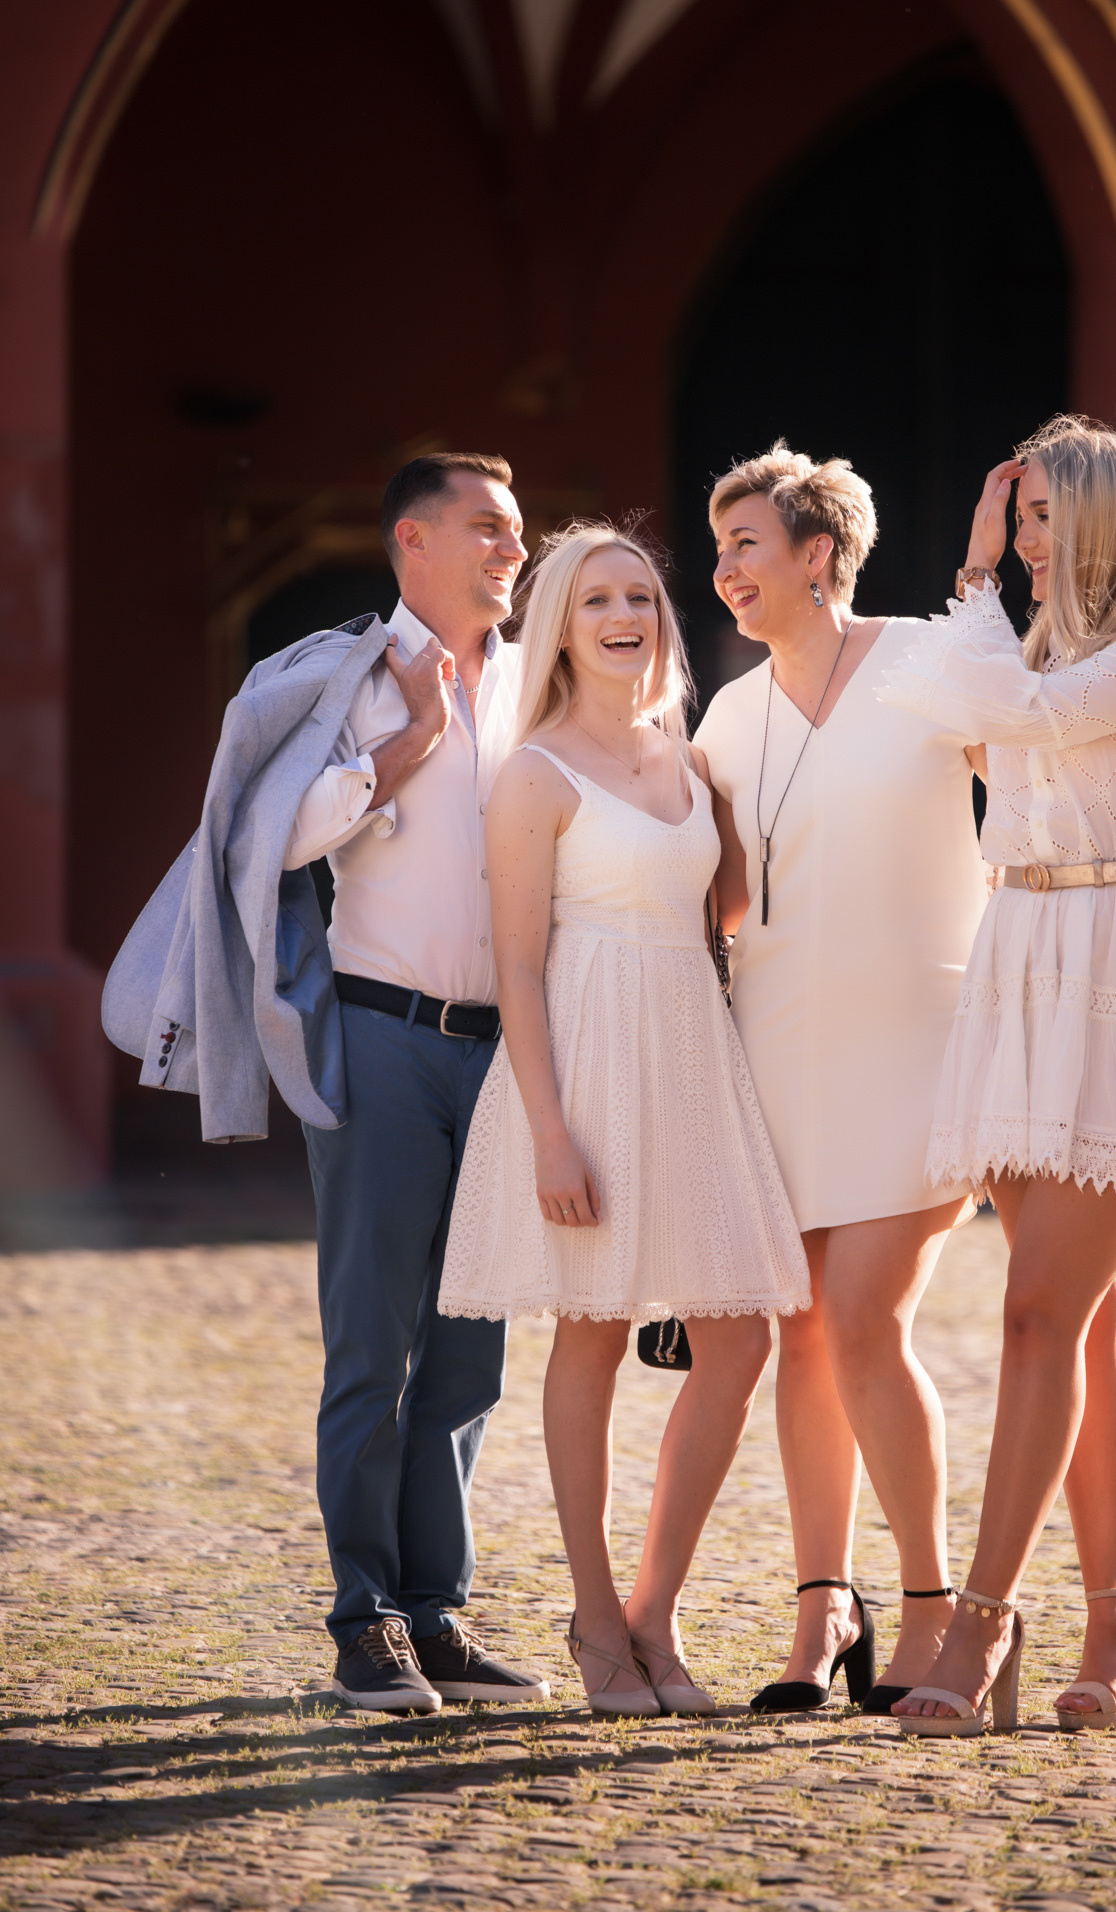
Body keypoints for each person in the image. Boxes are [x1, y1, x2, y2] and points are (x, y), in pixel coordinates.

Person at [880, 415, 1116, 1737]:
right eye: (1019, 517)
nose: (1026, 543)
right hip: (1024, 965)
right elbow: (970, 721)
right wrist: (985, 601)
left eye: (1044, 518)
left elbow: (1016, 716)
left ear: (1105, 520)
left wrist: (974, 584)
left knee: (1037, 1315)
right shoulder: (1028, 650)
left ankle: (981, 1627)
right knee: (1079, 1324)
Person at [438, 524, 810, 1716]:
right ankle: (595, 1619)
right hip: (584, 1065)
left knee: (741, 1335)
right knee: (590, 1335)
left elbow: (742, 906)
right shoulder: (533, 774)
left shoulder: (691, 760)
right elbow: (518, 963)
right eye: (598, 596)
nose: (625, 613)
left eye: (641, 594)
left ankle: (657, 1609)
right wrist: (550, 1131)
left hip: (692, 1056)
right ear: (559, 622)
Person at [692, 444, 987, 1712]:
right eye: (719, 548)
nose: (724, 569)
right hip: (775, 1056)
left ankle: (932, 1606)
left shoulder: (928, 661)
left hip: (919, 1043)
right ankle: (823, 1607)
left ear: (820, 554)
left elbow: (1036, 782)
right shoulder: (727, 715)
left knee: (867, 1321)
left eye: (747, 542)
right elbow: (712, 896)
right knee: (804, 1333)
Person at [281, 452, 550, 1714]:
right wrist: (410, 745)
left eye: (517, 528)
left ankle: (437, 1614)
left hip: (505, 1051)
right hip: (381, 1038)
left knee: (469, 1349)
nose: (514, 546)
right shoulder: (342, 676)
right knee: (372, 1344)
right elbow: (270, 836)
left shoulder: (541, 681)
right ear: (413, 543)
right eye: (488, 526)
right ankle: (363, 1619)